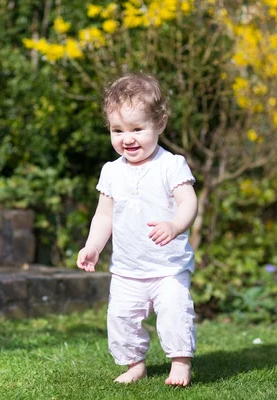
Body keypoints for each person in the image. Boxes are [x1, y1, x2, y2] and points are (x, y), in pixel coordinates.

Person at [76, 72, 198, 387]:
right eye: (118, 130)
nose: (127, 139)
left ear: (160, 123)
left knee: (174, 312)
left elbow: (188, 203)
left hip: (167, 266)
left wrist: (174, 224)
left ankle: (180, 364)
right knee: (121, 318)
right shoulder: (112, 171)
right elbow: (104, 216)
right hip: (128, 267)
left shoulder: (171, 165)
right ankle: (134, 364)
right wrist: (93, 247)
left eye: (136, 129)